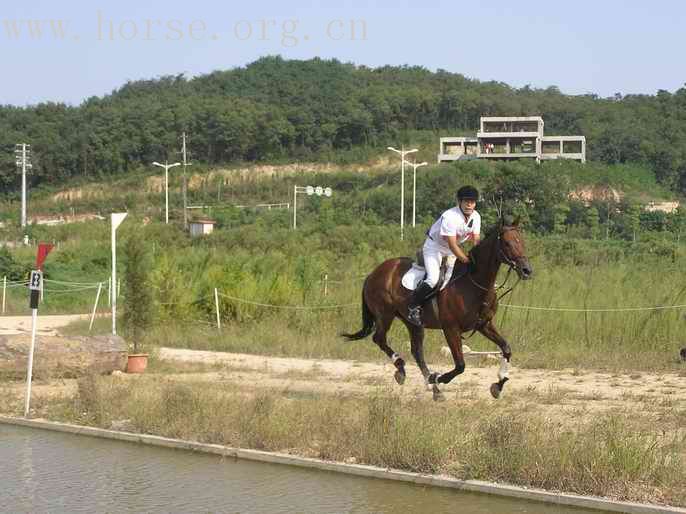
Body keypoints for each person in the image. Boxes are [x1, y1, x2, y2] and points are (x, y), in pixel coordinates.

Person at [407, 185, 482, 326]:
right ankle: (413, 306)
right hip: (434, 247)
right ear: (460, 202)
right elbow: (452, 244)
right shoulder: (450, 217)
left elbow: (476, 239)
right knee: (433, 279)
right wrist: (465, 260)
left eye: (472, 201)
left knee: (457, 278)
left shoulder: (476, 216)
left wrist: (478, 258)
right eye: (466, 201)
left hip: (450, 249)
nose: (469, 204)